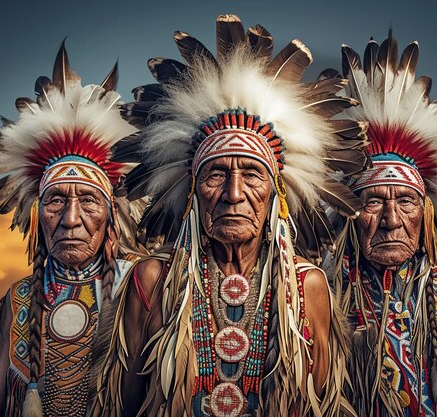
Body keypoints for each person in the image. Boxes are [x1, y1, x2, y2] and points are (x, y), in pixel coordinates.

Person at [91, 14, 368, 417]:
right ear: (192, 193)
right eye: (216, 174)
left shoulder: (307, 287)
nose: (233, 194)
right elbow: (125, 406)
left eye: (252, 174)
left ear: (276, 192)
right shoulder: (152, 281)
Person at [329, 32, 437, 416]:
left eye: (406, 200)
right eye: (373, 201)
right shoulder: (317, 297)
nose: (392, 221)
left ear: (425, 213)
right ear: (348, 214)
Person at [0, 43, 143, 417]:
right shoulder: (18, 300)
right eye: (55, 202)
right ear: (36, 215)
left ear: (112, 214)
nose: (70, 219)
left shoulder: (141, 285)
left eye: (88, 200)